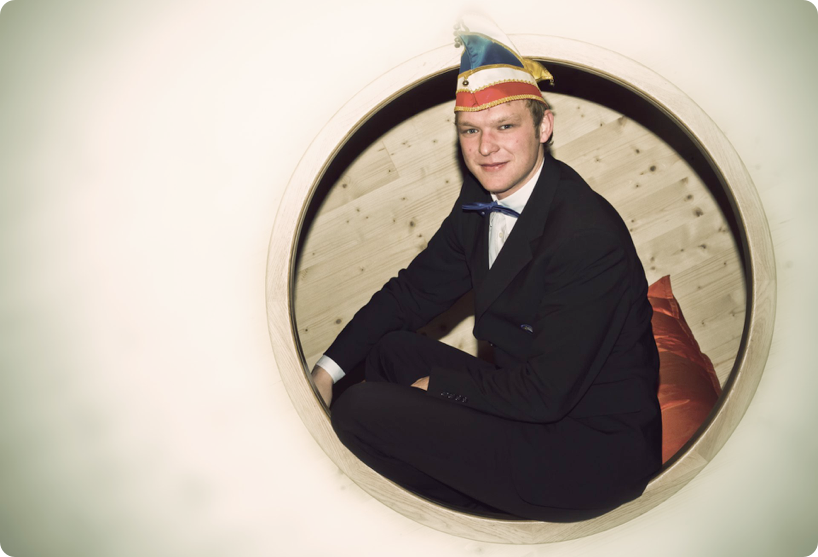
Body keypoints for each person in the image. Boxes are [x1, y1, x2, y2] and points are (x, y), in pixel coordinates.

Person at [309, 18, 662, 522]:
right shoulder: (482, 197)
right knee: (389, 352)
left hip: (588, 451)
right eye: (470, 131)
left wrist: (436, 389)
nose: (485, 147)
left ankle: (470, 517)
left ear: (544, 127)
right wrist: (326, 371)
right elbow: (412, 293)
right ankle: (461, 483)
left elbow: (546, 394)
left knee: (359, 410)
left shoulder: (586, 237)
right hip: (532, 401)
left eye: (505, 126)